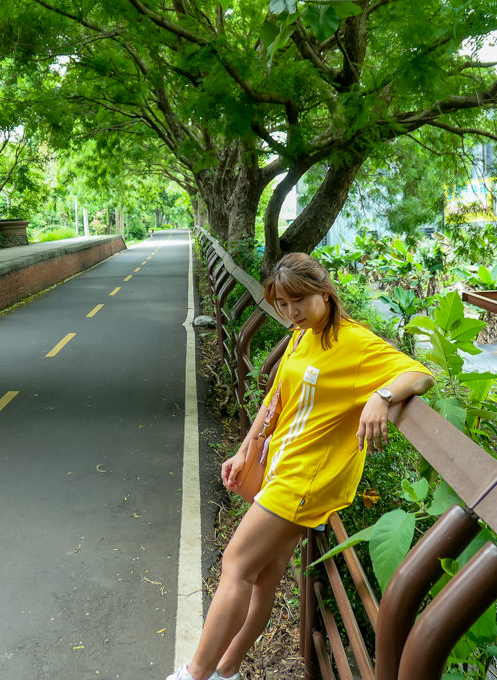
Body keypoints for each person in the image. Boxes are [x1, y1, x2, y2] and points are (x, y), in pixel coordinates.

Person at [167, 252, 434, 680]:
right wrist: (245, 449)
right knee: (262, 580)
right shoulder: (300, 334)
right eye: (282, 304)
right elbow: (276, 399)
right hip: (282, 467)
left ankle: (195, 675)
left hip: (305, 481)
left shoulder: (355, 342)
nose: (290, 312)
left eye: (299, 301)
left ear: (324, 293)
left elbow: (419, 374)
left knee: (236, 564)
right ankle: (226, 671)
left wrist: (380, 397)